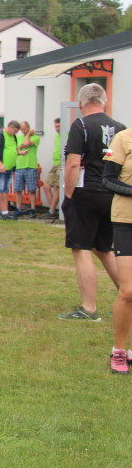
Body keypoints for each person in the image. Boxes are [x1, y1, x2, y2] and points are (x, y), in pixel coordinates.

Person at [58, 83, 124, 321]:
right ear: (104, 101)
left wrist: (68, 193)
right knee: (104, 248)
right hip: (111, 193)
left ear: (81, 103)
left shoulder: (81, 125)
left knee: (82, 248)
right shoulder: (120, 128)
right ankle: (127, 295)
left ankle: (89, 308)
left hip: (86, 193)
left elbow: (74, 162)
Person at [102, 126, 132, 373]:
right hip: (126, 221)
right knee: (129, 291)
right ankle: (118, 351)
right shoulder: (123, 138)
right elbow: (107, 179)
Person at [0, 120, 19, 220]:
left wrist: (19, 152)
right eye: (15, 130)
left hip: (9, 168)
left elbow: (13, 149)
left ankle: (5, 211)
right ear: (10, 127)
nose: (15, 133)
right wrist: (0, 164)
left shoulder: (13, 137)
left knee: (6, 189)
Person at [14, 121, 40, 218]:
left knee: (32, 189)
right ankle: (18, 208)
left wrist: (28, 135)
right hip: (19, 166)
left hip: (31, 165)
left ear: (29, 128)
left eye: (25, 129)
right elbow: (17, 148)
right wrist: (21, 147)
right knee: (18, 189)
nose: (23, 131)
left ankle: (33, 208)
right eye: (22, 129)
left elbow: (27, 143)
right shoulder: (18, 137)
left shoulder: (35, 138)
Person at [45, 117, 62, 219]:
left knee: (57, 187)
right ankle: (53, 210)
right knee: (46, 186)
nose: (57, 128)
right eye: (56, 126)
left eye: (59, 126)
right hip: (55, 163)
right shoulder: (57, 136)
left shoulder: (67, 134)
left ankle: (52, 210)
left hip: (62, 163)